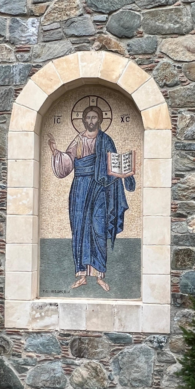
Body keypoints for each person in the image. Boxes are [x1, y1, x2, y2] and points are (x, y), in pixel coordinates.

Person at [47, 105, 136, 292]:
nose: (91, 121)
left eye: (94, 117)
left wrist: (126, 173)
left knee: (98, 229)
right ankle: (81, 275)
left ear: (100, 120)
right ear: (83, 120)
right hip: (80, 189)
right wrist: (56, 152)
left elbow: (115, 164)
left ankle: (99, 275)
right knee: (79, 229)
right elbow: (68, 162)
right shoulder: (78, 140)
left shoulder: (106, 140)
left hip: (99, 189)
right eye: (88, 118)